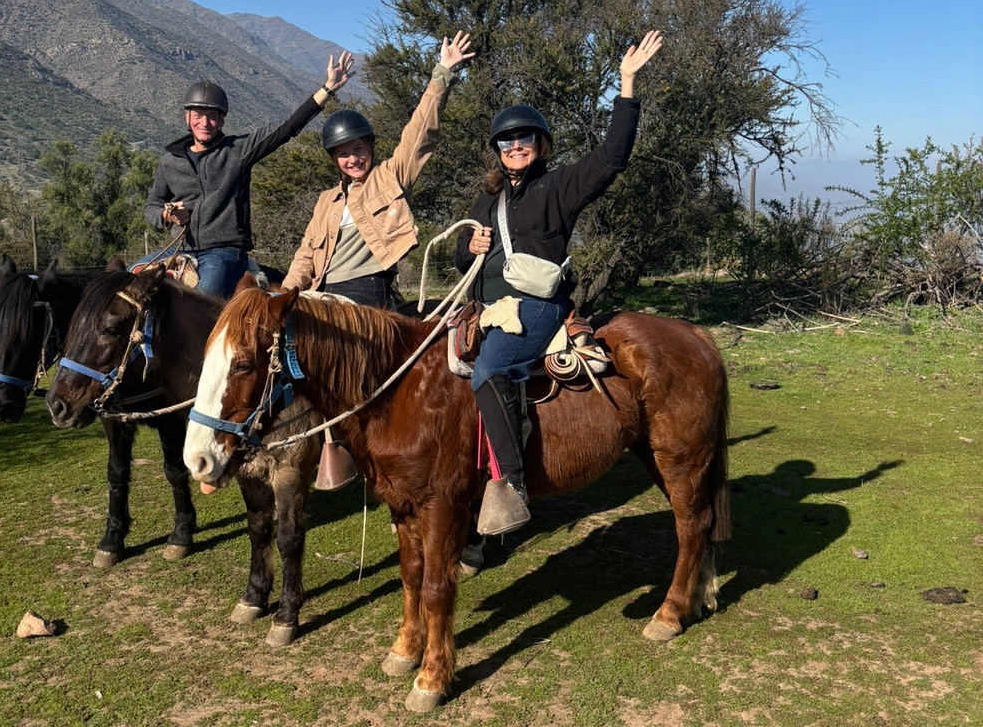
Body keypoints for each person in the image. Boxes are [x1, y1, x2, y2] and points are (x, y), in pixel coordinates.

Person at [455, 30, 663, 536]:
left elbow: (611, 157)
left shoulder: (559, 186)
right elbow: (464, 255)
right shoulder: (487, 201)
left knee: (490, 370)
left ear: (540, 144)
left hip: (534, 306)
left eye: (524, 139)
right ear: (497, 151)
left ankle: (512, 485)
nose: (515, 146)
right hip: (481, 307)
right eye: (506, 141)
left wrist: (627, 85)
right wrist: (469, 248)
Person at [281, 31, 475, 307]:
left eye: (358, 149)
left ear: (370, 148)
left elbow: (420, 133)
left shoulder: (390, 176)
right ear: (335, 160)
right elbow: (306, 254)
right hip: (322, 288)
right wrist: (284, 294)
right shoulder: (326, 201)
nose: (353, 159)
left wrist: (442, 73)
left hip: (367, 286)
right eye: (343, 154)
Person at [142, 52, 354, 298]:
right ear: (187, 117)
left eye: (212, 116)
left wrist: (328, 88)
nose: (205, 123)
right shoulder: (170, 161)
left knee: (199, 301)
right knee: (125, 282)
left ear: (222, 121)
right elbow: (151, 206)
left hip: (223, 252)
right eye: (198, 116)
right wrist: (166, 215)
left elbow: (286, 127)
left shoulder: (237, 151)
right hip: (179, 250)